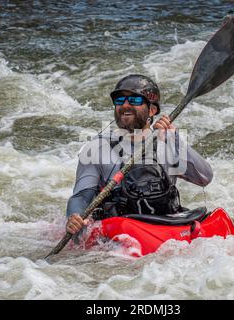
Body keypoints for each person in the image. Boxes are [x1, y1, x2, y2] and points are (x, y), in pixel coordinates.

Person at [65, 74, 213, 235]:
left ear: (152, 110)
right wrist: (75, 217)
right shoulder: (96, 148)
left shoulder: (168, 141)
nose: (125, 105)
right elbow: (81, 197)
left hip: (166, 225)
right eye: (120, 101)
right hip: (122, 232)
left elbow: (204, 178)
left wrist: (175, 139)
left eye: (134, 100)